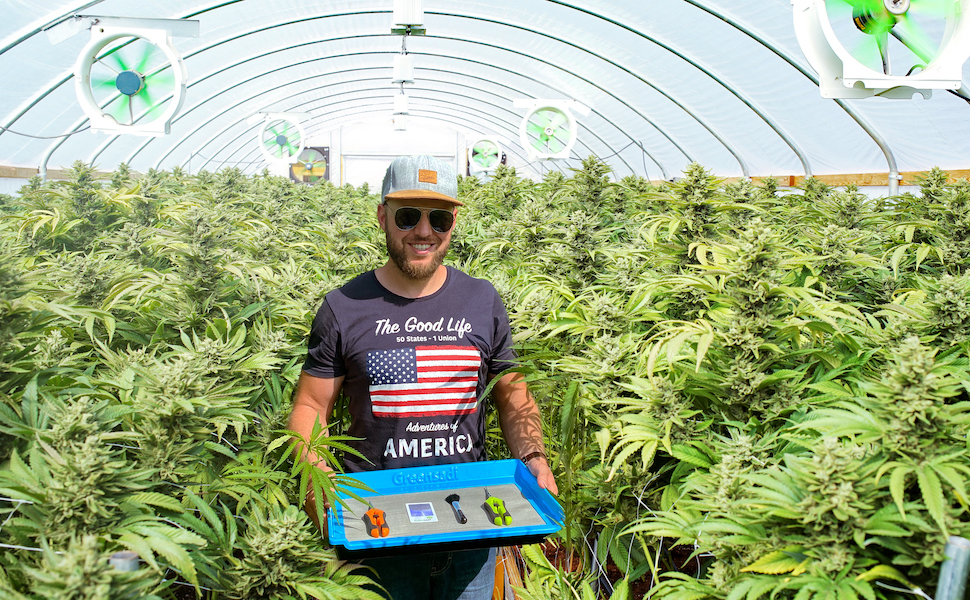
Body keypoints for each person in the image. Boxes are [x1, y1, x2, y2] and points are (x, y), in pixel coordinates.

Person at [287, 154, 558, 600]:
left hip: (474, 521)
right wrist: (320, 486)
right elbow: (311, 406)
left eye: (440, 218)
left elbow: (512, 394)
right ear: (382, 217)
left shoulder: (481, 298)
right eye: (408, 216)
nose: (424, 231)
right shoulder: (343, 306)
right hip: (376, 528)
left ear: (454, 221)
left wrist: (535, 460)